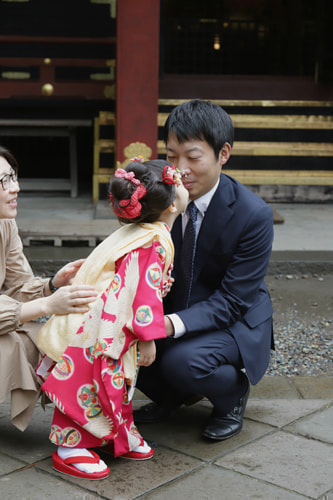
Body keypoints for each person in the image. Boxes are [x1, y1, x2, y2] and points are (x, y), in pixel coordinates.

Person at [134, 99, 274, 442]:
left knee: (182, 362)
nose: (179, 170)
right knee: (118, 341)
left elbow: (232, 301)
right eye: (171, 156)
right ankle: (172, 397)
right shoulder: (162, 197)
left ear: (223, 154)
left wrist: (162, 325)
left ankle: (231, 396)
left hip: (233, 317)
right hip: (178, 307)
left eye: (193, 157)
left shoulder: (253, 215)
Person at [39, 159, 188, 480]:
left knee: (114, 385)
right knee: (85, 384)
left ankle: (114, 435)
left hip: (106, 322)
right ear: (173, 203)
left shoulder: (142, 233)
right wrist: (148, 337)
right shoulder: (153, 240)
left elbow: (138, 281)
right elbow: (143, 293)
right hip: (101, 330)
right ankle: (71, 447)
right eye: (181, 185)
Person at [0, 145, 98, 432]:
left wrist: (52, 284)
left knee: (48, 339)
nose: (15, 188)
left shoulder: (5, 224)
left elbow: (18, 284)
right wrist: (47, 305)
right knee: (10, 343)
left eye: (13, 177)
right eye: (3, 181)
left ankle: (80, 423)